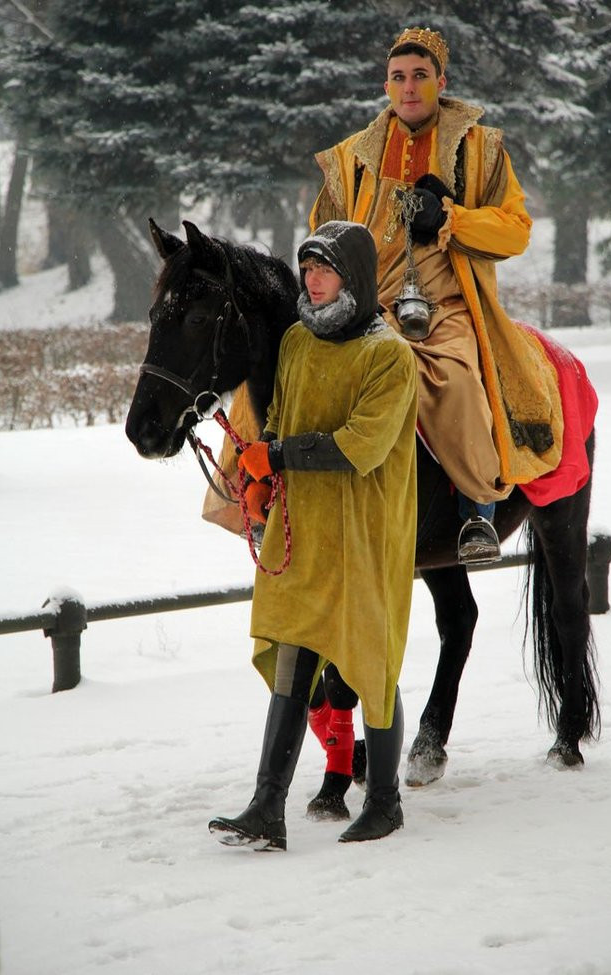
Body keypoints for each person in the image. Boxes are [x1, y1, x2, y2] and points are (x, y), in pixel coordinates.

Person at [310, 26, 564, 564]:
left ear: (440, 82)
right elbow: (322, 228)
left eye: (420, 76)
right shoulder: (352, 156)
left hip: (445, 305)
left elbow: (515, 230)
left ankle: (478, 512)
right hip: (364, 304)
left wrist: (452, 217)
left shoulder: (481, 148)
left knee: (456, 377)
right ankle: (265, 499)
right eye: (398, 78)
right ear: (385, 87)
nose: (408, 88)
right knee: (294, 363)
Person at [208, 220, 418, 850]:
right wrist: (261, 480)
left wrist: (279, 458)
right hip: (304, 525)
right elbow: (286, 422)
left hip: (364, 530)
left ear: (352, 275)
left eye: (324, 268)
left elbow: (362, 446)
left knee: (370, 661)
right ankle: (266, 806)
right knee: (294, 660)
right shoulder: (296, 342)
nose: (313, 279)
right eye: (307, 269)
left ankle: (384, 801)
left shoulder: (390, 356)